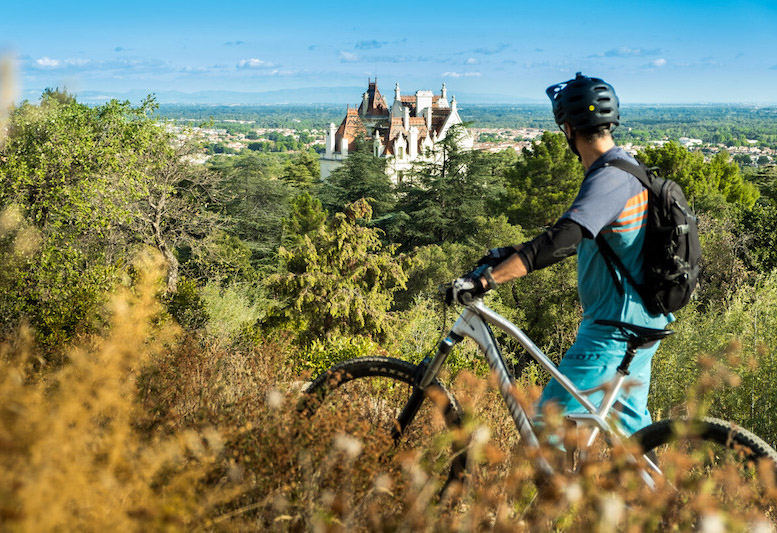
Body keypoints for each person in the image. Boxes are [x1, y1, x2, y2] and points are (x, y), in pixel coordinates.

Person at [449, 72, 672, 436]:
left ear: (568, 129)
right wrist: (509, 253)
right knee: (633, 442)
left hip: (612, 331)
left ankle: (558, 493)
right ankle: (659, 494)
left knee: (543, 427)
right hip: (642, 321)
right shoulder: (627, 169)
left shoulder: (608, 178)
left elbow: (562, 239)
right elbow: (581, 237)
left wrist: (487, 279)